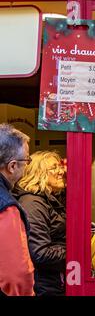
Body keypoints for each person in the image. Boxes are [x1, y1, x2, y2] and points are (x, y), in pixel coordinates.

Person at [13, 151, 66, 296]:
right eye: (54, 167)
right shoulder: (33, 203)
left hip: (53, 281)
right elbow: (40, 252)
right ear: (39, 173)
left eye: (60, 166)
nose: (61, 171)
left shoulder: (46, 200)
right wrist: (75, 252)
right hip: (44, 285)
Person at [0, 123, 35, 296]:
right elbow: (16, 276)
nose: (27, 166)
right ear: (12, 166)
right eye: (27, 160)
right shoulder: (6, 207)